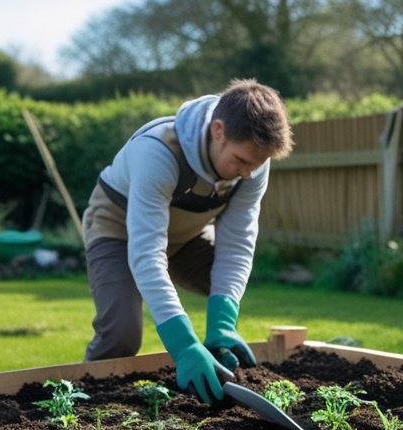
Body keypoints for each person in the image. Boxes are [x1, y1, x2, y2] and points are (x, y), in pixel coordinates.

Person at [82, 78, 293, 404]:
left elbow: (236, 245)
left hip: (186, 237)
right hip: (118, 232)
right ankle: (83, 403)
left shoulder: (253, 165)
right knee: (121, 333)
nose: (248, 173)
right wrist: (183, 345)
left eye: (257, 163)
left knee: (225, 295)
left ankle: (216, 351)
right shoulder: (158, 151)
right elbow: (147, 254)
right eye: (241, 161)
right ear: (218, 131)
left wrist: (221, 326)